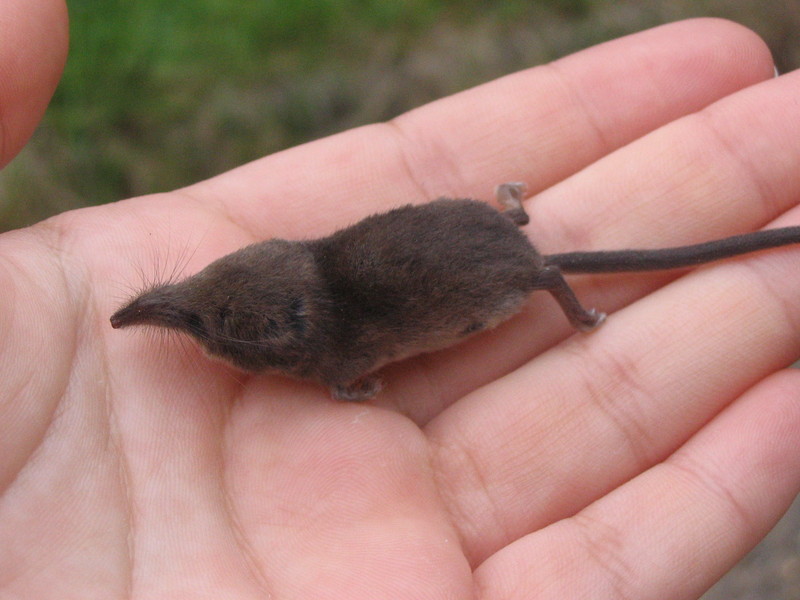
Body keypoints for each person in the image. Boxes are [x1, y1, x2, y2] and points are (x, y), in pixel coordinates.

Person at [2, 3, 799, 597]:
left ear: (278, 338)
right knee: (510, 250)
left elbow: (347, 366)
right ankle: (516, 227)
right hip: (464, 233)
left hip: (483, 279)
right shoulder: (302, 274)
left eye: (204, 318)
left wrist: (349, 386)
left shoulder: (331, 351)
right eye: (198, 309)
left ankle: (562, 291)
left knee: (538, 273)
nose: (175, 311)